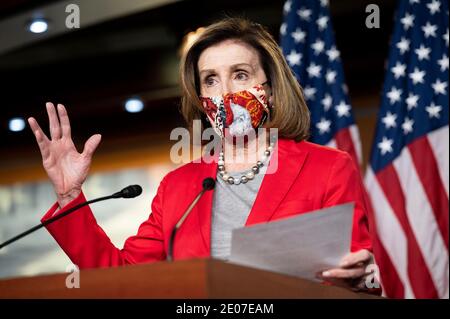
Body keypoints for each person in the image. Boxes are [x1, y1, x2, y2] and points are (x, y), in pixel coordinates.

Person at [28, 18, 375, 292]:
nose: (225, 92)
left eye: (240, 75)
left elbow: (356, 274)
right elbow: (123, 278)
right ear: (200, 97)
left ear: (268, 91)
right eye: (210, 80)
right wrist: (69, 195)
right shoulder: (179, 187)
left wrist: (360, 278)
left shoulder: (328, 168)